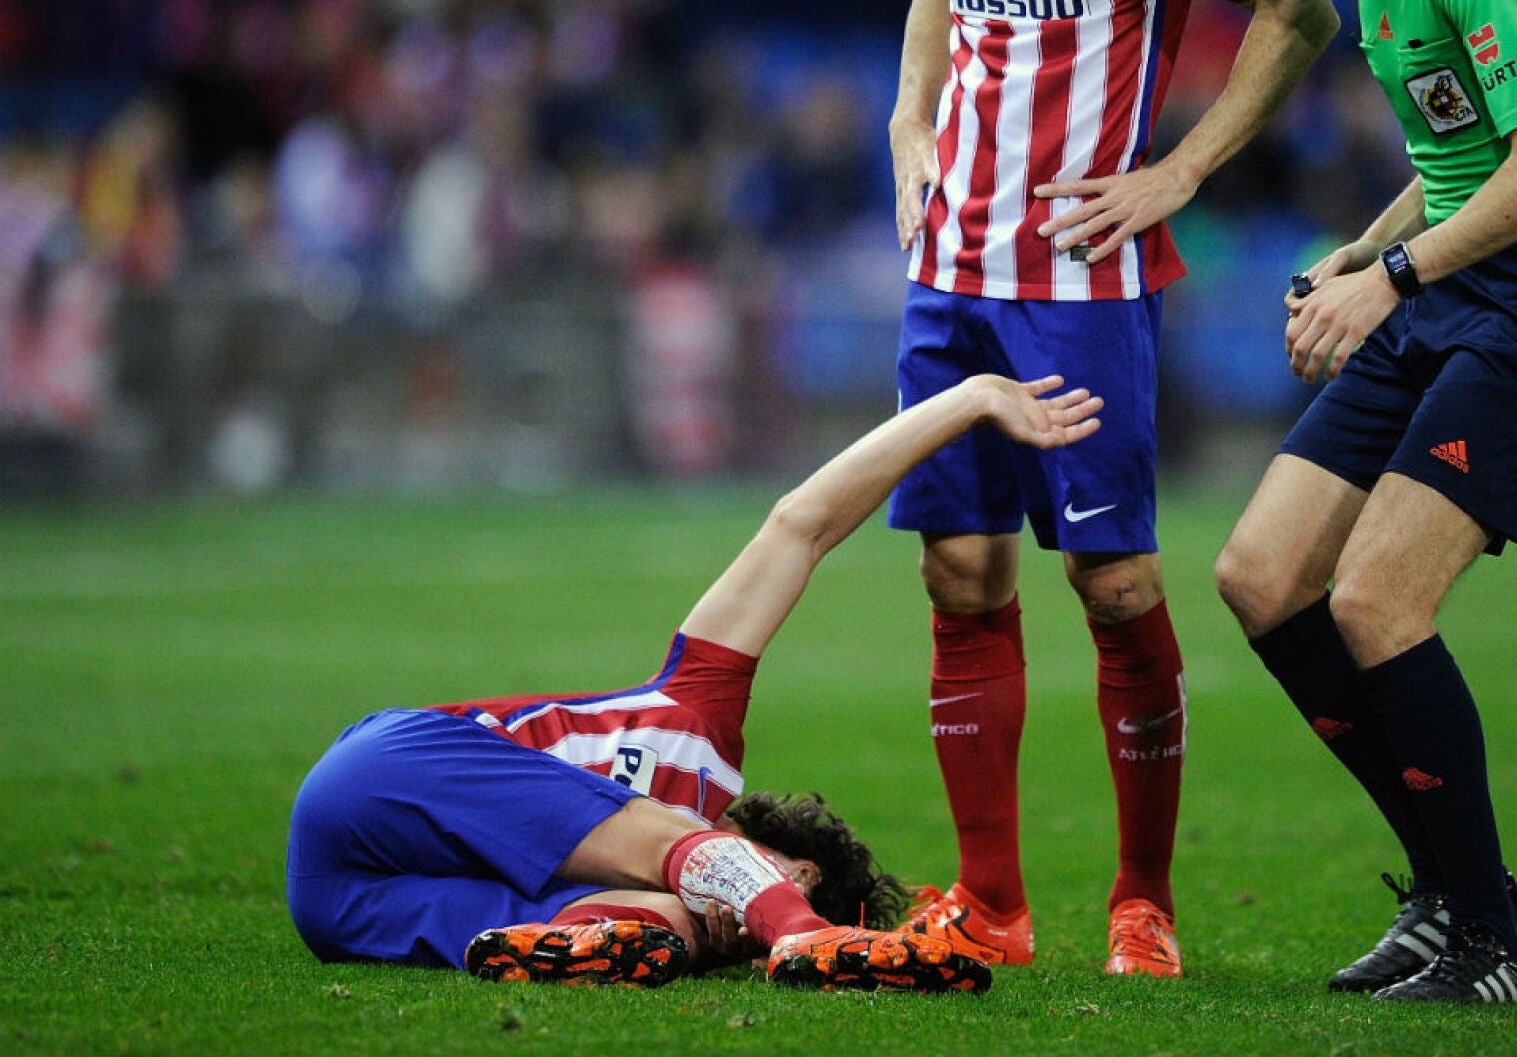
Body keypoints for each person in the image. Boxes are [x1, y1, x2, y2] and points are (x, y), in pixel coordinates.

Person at [287, 373, 1105, 994]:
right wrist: (965, 401)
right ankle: (810, 936)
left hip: (337, 899)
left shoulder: (690, 903)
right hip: (394, 770)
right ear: (787, 855)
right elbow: (802, 524)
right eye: (787, 879)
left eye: (768, 919)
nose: (744, 917)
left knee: (674, 924)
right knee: (679, 853)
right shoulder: (700, 721)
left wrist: (708, 936)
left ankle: (594, 946)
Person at [886, 0, 1340, 978]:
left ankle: (1143, 901)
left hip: (1081, 278)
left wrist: (1180, 169)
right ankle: (989, 902)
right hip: (949, 271)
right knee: (957, 570)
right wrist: (908, 116)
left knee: (1115, 582)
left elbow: (1301, 13)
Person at [1212, 0, 1517, 1003]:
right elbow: (1460, 153)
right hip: (1452, 275)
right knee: (1260, 575)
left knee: (1373, 600)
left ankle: (1495, 946)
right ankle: (1450, 890)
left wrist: (1389, 277)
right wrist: (1367, 247)